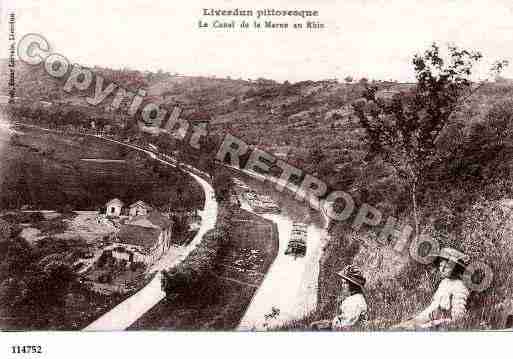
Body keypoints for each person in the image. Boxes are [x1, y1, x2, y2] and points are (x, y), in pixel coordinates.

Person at [394, 247, 470, 330]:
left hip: (443, 326)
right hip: (432, 320)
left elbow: (457, 317)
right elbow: (432, 308)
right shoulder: (444, 283)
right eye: (441, 265)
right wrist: (415, 320)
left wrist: (427, 325)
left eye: (447, 266)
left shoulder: (460, 286)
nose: (442, 269)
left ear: (455, 268)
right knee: (401, 327)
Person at [310, 264, 368, 330]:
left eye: (345, 283)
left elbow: (345, 324)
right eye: (342, 283)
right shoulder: (356, 298)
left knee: (315, 327)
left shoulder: (355, 301)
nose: (342, 286)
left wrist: (328, 325)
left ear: (352, 285)